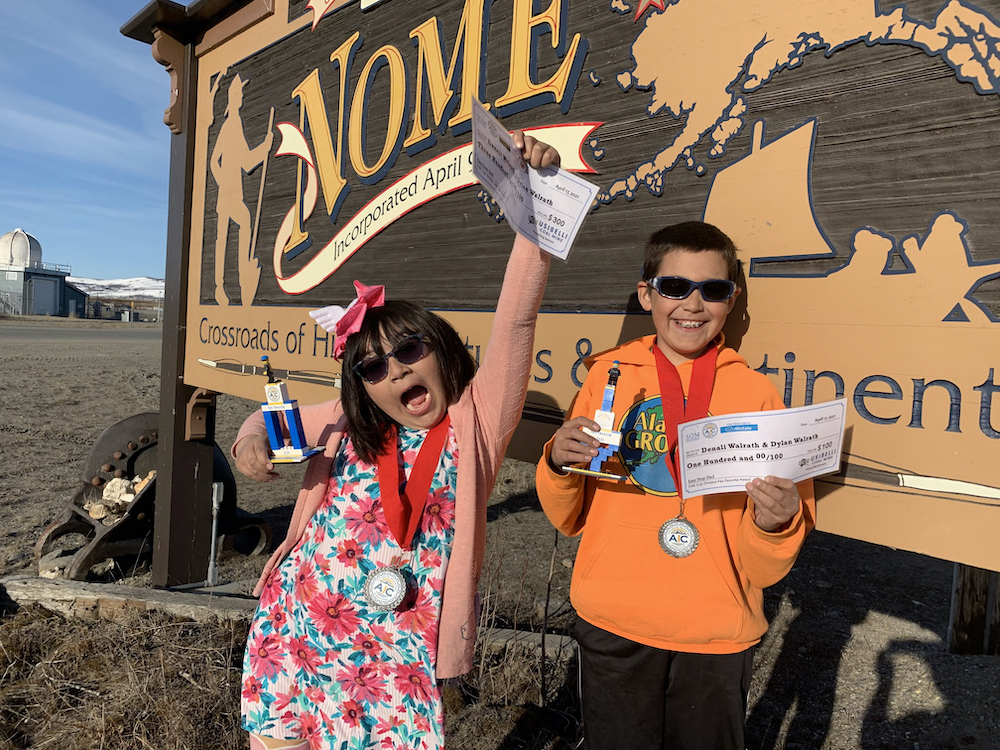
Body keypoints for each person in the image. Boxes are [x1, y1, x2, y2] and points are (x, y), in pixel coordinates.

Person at [232, 132, 559, 750]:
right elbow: (265, 422)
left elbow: (516, 318)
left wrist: (534, 205)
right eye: (373, 367)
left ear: (441, 351)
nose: (397, 370)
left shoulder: (477, 421)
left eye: (410, 350)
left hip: (397, 649)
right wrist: (249, 442)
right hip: (296, 623)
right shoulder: (346, 421)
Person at [535, 221, 816, 750]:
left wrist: (776, 522)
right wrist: (557, 464)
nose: (693, 303)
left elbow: (765, 566)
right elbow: (567, 517)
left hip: (714, 634)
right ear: (647, 294)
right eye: (674, 287)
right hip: (614, 621)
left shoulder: (757, 395)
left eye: (713, 290)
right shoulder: (607, 375)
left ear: (731, 302)